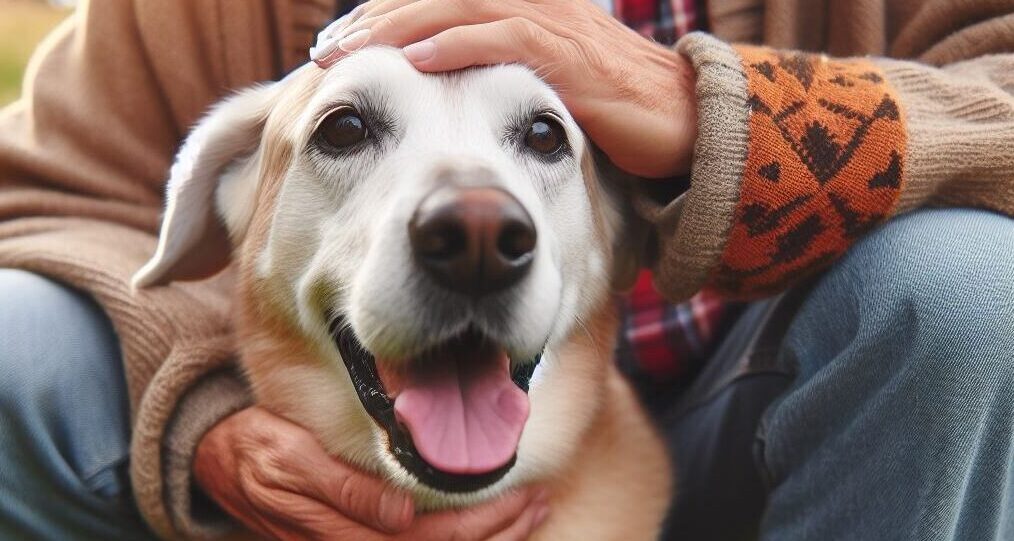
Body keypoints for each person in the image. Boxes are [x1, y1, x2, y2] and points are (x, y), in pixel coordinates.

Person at [1, 0, 1011, 539]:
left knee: (971, 289)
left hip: (777, 420)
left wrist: (724, 113)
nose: (472, 224)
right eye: (349, 129)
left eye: (539, 137)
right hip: (293, 471)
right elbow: (37, 196)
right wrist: (200, 406)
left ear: (612, 232)